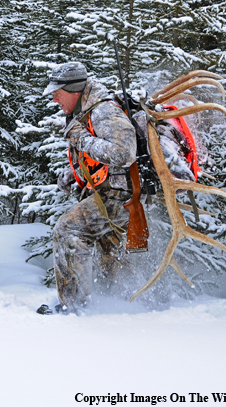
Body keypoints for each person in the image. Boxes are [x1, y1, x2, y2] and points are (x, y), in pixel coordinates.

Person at [37, 61, 137, 315]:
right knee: (110, 250)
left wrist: (81, 140)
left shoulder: (102, 110)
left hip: (118, 195)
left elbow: (124, 153)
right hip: (109, 192)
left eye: (57, 93)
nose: (53, 98)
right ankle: (128, 304)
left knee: (69, 229)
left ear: (73, 90)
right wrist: (74, 173)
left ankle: (73, 307)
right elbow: (99, 152)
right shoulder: (85, 110)